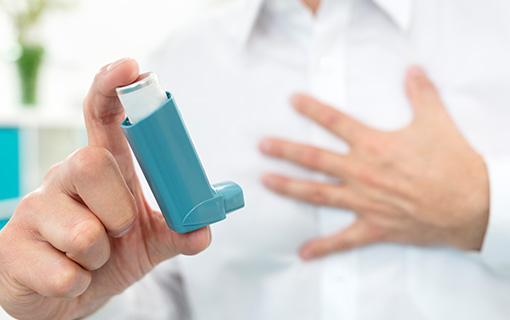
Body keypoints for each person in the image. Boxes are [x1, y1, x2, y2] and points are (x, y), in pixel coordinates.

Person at [1, 0, 510, 319]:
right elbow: (164, 298)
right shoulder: (182, 58)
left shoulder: (495, 27)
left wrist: (488, 209)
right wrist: (88, 301)